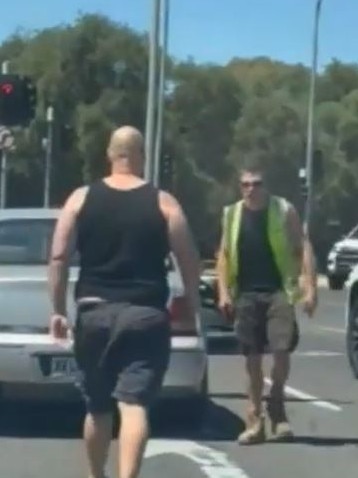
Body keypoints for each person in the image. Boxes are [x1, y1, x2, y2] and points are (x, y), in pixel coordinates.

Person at [48, 125, 201, 478]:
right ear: (141, 157)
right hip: (145, 315)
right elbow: (189, 258)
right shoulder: (164, 202)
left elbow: (58, 256)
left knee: (98, 407)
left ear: (110, 155)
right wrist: (192, 301)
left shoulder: (80, 198)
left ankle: (95, 475)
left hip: (93, 311)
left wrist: (57, 310)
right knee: (134, 407)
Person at [216, 162, 317, 445]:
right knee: (252, 360)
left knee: (281, 351)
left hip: (278, 292)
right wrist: (223, 292)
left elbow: (302, 247)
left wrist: (310, 289)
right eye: (246, 184)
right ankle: (254, 418)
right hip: (246, 294)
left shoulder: (283, 210)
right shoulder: (232, 214)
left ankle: (277, 406)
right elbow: (223, 254)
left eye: (257, 184)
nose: (251, 190)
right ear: (240, 187)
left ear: (266, 186)